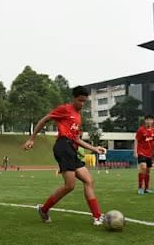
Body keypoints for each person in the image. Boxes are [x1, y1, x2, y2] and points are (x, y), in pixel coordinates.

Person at [23, 86, 106, 226]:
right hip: (63, 147)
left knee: (89, 181)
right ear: (74, 98)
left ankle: (97, 216)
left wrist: (94, 149)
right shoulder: (65, 109)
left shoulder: (79, 118)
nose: (82, 104)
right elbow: (44, 119)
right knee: (70, 185)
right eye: (80, 101)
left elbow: (77, 139)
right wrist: (32, 138)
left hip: (72, 149)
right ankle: (44, 210)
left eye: (85, 102)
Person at [135, 115, 154, 194]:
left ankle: (147, 188)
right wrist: (135, 151)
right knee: (143, 167)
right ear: (145, 121)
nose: (149, 121)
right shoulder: (141, 130)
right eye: (147, 120)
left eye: (150, 120)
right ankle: (140, 187)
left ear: (153, 121)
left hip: (149, 153)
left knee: (148, 171)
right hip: (141, 152)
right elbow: (136, 140)